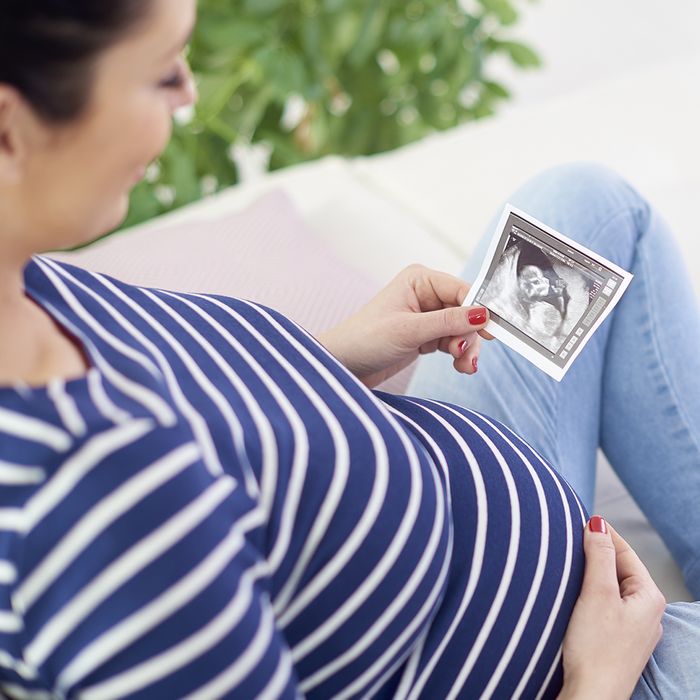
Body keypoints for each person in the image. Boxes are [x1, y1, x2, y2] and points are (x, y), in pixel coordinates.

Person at [0, 0, 697, 698]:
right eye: (159, 75)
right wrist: (597, 677)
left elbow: (194, 419)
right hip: (556, 668)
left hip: (471, 516)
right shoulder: (107, 513)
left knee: (588, 209)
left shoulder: (24, 273)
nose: (188, 93)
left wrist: (323, 366)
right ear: (9, 131)